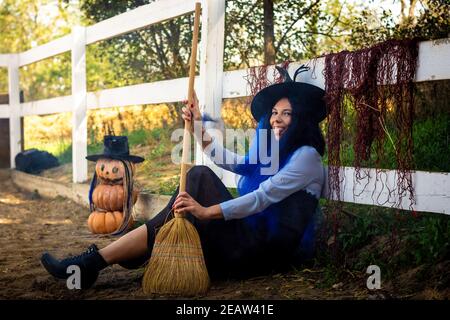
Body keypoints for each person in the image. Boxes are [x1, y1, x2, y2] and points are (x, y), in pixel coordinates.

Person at [40, 65, 327, 289]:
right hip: (248, 240)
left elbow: (261, 198)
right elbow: (233, 162)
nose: (276, 118)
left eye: (287, 113)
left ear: (301, 118)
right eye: (274, 112)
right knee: (197, 178)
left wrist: (205, 211)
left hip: (262, 254)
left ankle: (100, 259)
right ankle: (99, 260)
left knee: (199, 179)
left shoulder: (306, 157)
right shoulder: (275, 153)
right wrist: (197, 124)